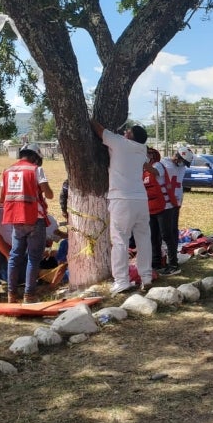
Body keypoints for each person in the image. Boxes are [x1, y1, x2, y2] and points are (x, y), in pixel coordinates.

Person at [90, 119, 152, 294]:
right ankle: (146, 276)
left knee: (119, 241)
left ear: (130, 136)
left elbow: (100, 129)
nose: (125, 132)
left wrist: (90, 117)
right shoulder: (142, 149)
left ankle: (121, 281)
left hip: (121, 199)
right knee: (143, 239)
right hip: (140, 199)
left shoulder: (120, 143)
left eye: (128, 131)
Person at [0, 142, 54, 303]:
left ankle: (11, 294)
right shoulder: (36, 170)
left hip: (16, 220)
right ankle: (29, 295)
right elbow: (49, 194)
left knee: (15, 256)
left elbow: (2, 198)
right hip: (34, 219)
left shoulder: (7, 171)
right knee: (33, 257)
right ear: (34, 156)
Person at [152, 146, 193, 276]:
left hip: (171, 204)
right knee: (157, 234)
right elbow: (154, 172)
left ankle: (173, 264)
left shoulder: (176, 167)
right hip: (164, 203)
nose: (183, 165)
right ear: (177, 157)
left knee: (168, 234)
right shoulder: (163, 165)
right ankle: (157, 263)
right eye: (182, 161)